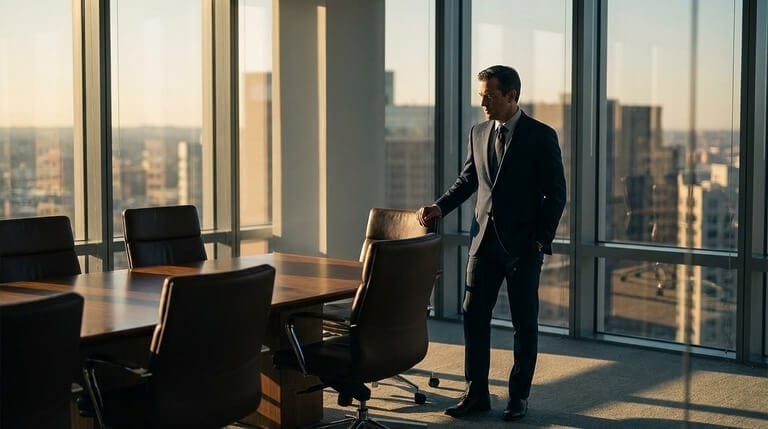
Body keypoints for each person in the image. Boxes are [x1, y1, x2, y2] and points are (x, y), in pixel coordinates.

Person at [418, 65, 566, 420]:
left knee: (523, 324)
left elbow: (556, 195)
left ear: (512, 96)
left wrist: (538, 242)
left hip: (522, 248)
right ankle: (476, 394)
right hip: (483, 241)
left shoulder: (541, 136)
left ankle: (518, 397)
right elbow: (468, 181)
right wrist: (440, 206)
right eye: (481, 95)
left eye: (490, 95)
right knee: (474, 318)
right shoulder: (478, 132)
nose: (483, 102)